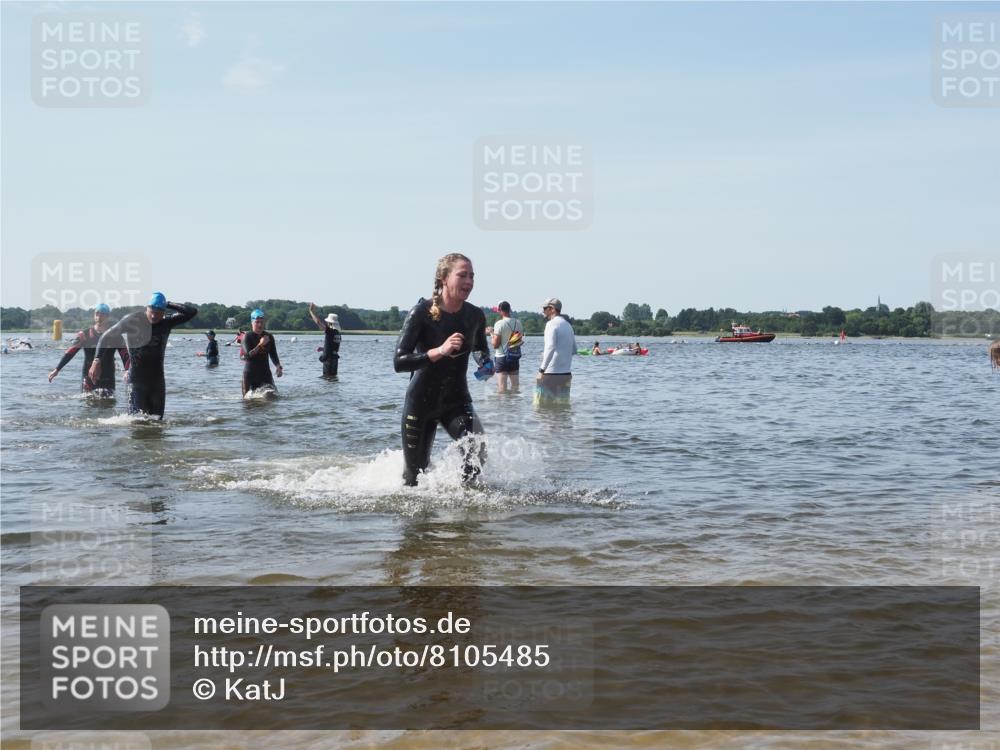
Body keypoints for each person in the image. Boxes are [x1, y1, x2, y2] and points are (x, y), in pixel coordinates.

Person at [393, 253, 490, 487]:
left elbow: (480, 349)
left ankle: (463, 503)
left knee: (477, 450)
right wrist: (439, 351)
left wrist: (485, 363)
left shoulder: (475, 315)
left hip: (456, 400)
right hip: (421, 402)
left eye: (472, 276)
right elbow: (399, 361)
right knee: (414, 478)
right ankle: (418, 522)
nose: (469, 282)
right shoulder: (421, 312)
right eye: (462, 275)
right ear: (444, 278)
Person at [89, 292, 197, 418]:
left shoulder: (167, 322)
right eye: (151, 310)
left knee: (157, 422)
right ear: (147, 307)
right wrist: (97, 360)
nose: (153, 315)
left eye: (158, 312)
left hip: (157, 382)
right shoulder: (132, 320)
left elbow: (191, 311)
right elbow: (106, 336)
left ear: (163, 311)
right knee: (136, 422)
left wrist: (167, 303)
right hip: (136, 381)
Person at [48, 303, 130, 397]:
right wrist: (57, 369)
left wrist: (127, 371)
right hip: (88, 378)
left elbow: (125, 355)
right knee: (88, 405)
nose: (99, 317)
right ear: (94, 315)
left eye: (102, 314)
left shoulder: (116, 336)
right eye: (97, 314)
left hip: (108, 378)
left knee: (108, 405)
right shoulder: (84, 335)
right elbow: (70, 352)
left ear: (107, 316)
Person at [535, 297, 575, 405]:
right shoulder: (568, 325)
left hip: (550, 373)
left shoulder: (551, 324)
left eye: (544, 308)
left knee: (541, 408)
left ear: (552, 309)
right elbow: (574, 350)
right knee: (562, 408)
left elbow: (550, 347)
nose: (543, 311)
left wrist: (541, 370)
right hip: (566, 374)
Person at [241, 308, 283, 396]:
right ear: (252, 323)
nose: (260, 325)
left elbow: (273, 354)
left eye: (262, 322)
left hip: (265, 374)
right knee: (247, 404)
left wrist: (278, 366)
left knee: (274, 397)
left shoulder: (269, 336)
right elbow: (247, 356)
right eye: (257, 322)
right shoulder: (247, 336)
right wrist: (260, 344)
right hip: (250, 375)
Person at [491, 300, 523, 393]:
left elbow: (495, 344)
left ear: (500, 310)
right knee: (515, 386)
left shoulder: (499, 324)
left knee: (502, 388)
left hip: (502, 357)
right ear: (510, 309)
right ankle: (515, 407)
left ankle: (503, 407)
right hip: (514, 356)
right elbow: (518, 340)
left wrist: (491, 333)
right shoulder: (518, 323)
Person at [308, 303, 342, 378]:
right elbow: (336, 349)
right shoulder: (338, 333)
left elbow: (318, 322)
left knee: (327, 378)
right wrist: (323, 348)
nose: (326, 323)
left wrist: (311, 312)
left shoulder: (330, 331)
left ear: (330, 323)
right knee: (333, 378)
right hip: (335, 360)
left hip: (328, 360)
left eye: (327, 322)